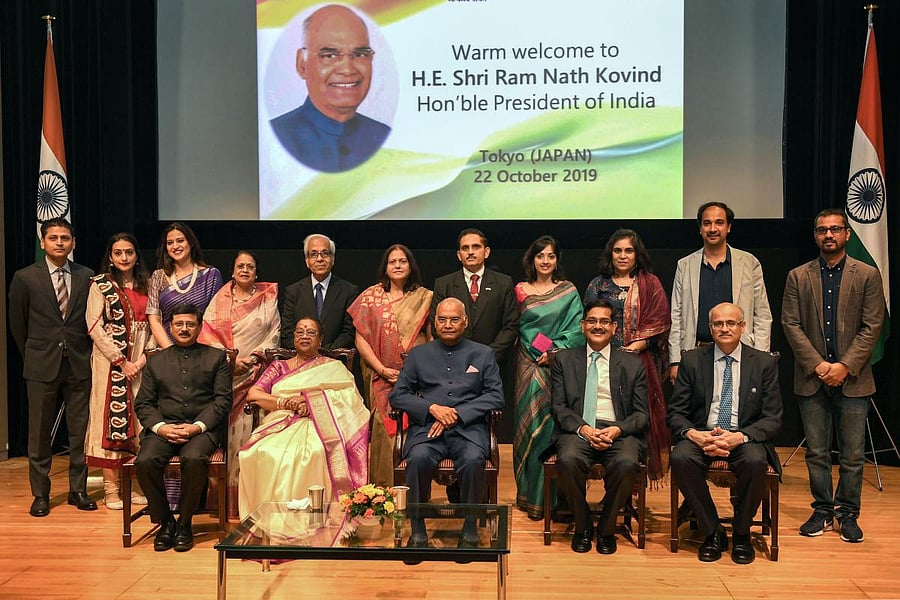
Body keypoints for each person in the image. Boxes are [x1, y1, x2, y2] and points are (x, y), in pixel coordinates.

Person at [782, 209, 885, 544]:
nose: (829, 235)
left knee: (853, 455)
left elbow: (872, 327)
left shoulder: (867, 274)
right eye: (822, 230)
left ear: (847, 234)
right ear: (815, 235)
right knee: (817, 452)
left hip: (853, 379)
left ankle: (848, 514)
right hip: (812, 378)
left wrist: (843, 366)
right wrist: (819, 366)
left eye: (835, 229)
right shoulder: (798, 276)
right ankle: (823, 510)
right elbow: (791, 324)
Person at [668, 302, 782, 564]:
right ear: (710, 328)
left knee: (755, 461)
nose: (725, 328)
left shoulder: (763, 362)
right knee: (681, 458)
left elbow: (773, 418)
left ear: (742, 327)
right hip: (703, 435)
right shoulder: (693, 360)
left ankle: (741, 533)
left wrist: (738, 437)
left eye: (731, 323)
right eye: (718, 324)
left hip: (744, 436)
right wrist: (694, 434)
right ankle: (713, 531)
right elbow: (675, 413)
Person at [390, 298, 504, 547]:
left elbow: (496, 396)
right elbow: (398, 395)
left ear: (465, 322)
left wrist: (456, 414)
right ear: (435, 322)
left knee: (474, 460)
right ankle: (417, 529)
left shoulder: (483, 354)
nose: (448, 324)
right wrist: (432, 408)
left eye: (454, 319)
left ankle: (470, 526)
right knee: (418, 459)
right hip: (428, 431)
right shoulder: (418, 355)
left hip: (469, 431)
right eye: (442, 319)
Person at [8, 217, 97, 516]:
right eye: (54, 238)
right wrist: (34, 353)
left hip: (79, 364)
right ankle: (41, 494)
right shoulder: (25, 277)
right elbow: (17, 323)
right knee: (39, 432)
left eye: (65, 238)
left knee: (79, 431)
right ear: (43, 242)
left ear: (73, 242)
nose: (60, 242)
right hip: (40, 364)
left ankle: (78, 490)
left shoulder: (88, 276)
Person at [238, 316, 370, 518]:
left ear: (320, 340)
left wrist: (313, 401)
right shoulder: (278, 367)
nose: (304, 336)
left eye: (311, 332)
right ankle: (269, 516)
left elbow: (351, 399)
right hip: (281, 420)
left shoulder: (333, 366)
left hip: (322, 423)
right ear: (293, 338)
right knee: (262, 451)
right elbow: (254, 394)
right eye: (300, 332)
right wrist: (286, 402)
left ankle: (317, 515)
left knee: (315, 451)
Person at [548, 300, 648, 554]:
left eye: (604, 321)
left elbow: (642, 414)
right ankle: (582, 526)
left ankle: (606, 529)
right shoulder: (564, 360)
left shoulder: (632, 362)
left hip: (619, 430)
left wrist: (617, 430)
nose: (598, 326)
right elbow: (558, 407)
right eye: (592, 321)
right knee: (568, 459)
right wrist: (584, 429)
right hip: (579, 430)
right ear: (582, 326)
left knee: (626, 464)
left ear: (614, 327)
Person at [134, 303, 232, 552]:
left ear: (199, 327)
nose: (184, 329)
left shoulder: (216, 357)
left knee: (193, 457)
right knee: (145, 460)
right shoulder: (156, 361)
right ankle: (166, 522)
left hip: (202, 430)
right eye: (179, 324)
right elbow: (143, 404)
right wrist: (161, 428)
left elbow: (222, 401)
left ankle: (185, 523)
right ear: (170, 327)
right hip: (164, 428)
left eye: (190, 324)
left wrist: (197, 427)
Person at [584, 229, 672, 485]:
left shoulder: (650, 283)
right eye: (618, 250)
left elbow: (661, 321)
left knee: (637, 418)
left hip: (640, 362)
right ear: (610, 254)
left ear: (637, 254)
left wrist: (637, 345)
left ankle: (632, 486)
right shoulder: (598, 284)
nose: (623, 256)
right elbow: (591, 322)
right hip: (602, 361)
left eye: (628, 250)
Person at [197, 251, 281, 520]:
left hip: (258, 377)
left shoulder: (267, 298)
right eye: (240, 266)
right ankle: (229, 504)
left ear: (256, 272)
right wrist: (232, 359)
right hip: (226, 376)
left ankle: (256, 500)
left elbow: (275, 334)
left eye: (250, 267)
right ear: (232, 271)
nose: (245, 270)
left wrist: (254, 358)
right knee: (231, 439)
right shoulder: (219, 299)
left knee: (255, 437)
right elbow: (207, 334)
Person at [347, 244, 432, 485]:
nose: (397, 265)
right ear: (385, 267)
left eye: (402, 261)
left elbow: (431, 336)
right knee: (384, 431)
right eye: (392, 261)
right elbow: (361, 338)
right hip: (380, 377)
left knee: (415, 429)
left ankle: (414, 490)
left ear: (410, 266)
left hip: (416, 379)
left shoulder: (424, 297)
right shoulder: (370, 297)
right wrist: (381, 369)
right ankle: (382, 490)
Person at [513, 235, 584, 520]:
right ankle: (530, 497)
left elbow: (578, 328)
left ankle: (555, 500)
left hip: (560, 366)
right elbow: (518, 326)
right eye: (540, 256)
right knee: (530, 425)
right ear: (532, 260)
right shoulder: (520, 290)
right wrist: (540, 349)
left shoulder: (567, 291)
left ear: (557, 260)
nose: (545, 261)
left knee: (553, 427)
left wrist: (554, 351)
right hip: (528, 364)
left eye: (551, 256)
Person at [270, 4, 390, 172]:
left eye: (360, 54)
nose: (347, 69)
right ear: (302, 65)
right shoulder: (273, 138)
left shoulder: (382, 136)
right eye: (330, 56)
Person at [84, 233, 155, 510]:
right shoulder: (100, 285)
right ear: (110, 257)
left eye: (129, 252)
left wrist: (140, 361)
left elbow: (153, 324)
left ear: (136, 255)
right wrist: (120, 360)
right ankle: (111, 489)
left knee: (138, 422)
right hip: (109, 361)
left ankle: (133, 485)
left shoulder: (147, 285)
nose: (124, 257)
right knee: (109, 421)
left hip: (140, 361)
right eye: (118, 253)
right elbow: (93, 325)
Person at [668, 202, 772, 384]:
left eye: (719, 222)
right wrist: (676, 360)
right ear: (700, 228)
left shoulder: (749, 263)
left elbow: (762, 314)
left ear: (729, 227)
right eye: (707, 223)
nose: (713, 228)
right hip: (696, 355)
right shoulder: (684, 265)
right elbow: (676, 316)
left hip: (741, 354)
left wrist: (760, 357)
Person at [432, 228, 519, 365]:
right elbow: (436, 325)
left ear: (486, 252)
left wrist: (487, 357)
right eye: (465, 248)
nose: (471, 252)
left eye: (476, 247)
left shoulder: (504, 282)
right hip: (454, 363)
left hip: (494, 364)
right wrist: (460, 356)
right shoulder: (443, 284)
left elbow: (511, 326)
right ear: (459, 255)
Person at [147, 222, 223, 348]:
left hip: (203, 350)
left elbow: (217, 319)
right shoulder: (158, 276)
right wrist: (170, 351)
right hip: (167, 349)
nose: (175, 246)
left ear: (191, 243)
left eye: (180, 240)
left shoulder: (211, 275)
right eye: (170, 243)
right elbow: (154, 320)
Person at [280, 233, 358, 350]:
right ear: (307, 261)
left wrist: (325, 354)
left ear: (333, 259)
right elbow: (287, 332)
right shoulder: (293, 291)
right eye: (314, 254)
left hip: (334, 360)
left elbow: (348, 332)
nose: (320, 259)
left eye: (325, 253)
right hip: (301, 362)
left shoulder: (349, 291)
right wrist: (306, 353)